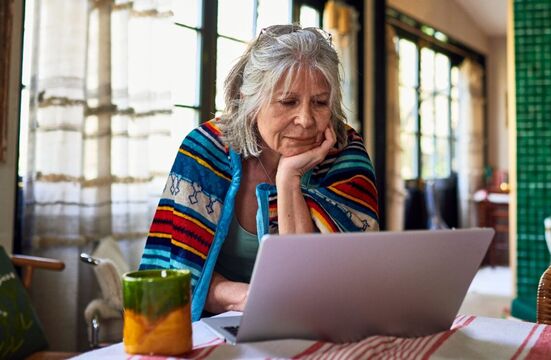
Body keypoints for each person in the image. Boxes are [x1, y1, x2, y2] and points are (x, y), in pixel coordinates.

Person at [140, 24, 379, 321]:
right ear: (249, 100)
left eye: (319, 102)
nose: (305, 120)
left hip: (318, 326)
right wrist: (247, 297)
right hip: (211, 324)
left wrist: (289, 178)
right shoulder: (204, 150)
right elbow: (178, 272)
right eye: (288, 101)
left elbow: (323, 285)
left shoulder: (345, 154)